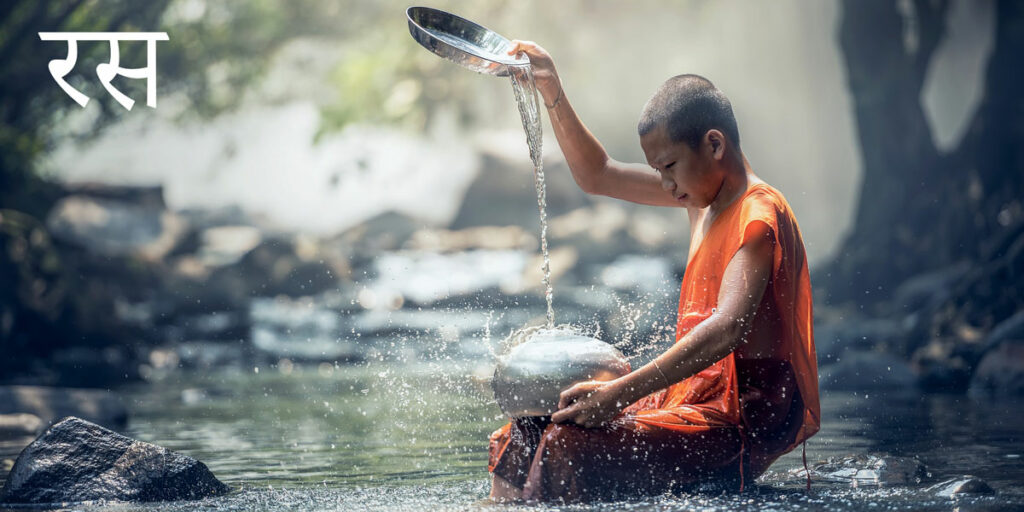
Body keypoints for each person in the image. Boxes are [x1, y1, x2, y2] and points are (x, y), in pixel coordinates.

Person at [487, 41, 821, 503]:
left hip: (737, 422)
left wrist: (620, 393)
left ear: (714, 145)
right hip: (689, 400)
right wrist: (551, 88)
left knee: (565, 443)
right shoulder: (700, 194)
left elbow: (727, 328)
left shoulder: (757, 214)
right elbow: (598, 174)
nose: (665, 186)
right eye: (656, 170)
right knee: (523, 430)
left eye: (668, 167)